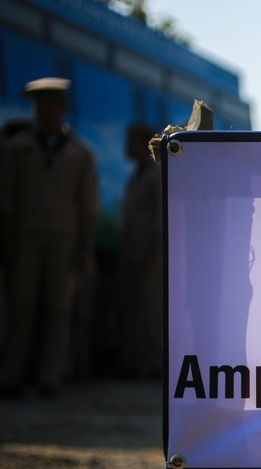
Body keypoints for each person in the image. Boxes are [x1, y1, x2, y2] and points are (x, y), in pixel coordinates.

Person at [0, 77, 99, 397]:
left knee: (58, 310)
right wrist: (6, 239)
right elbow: (5, 200)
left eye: (52, 105)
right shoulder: (18, 149)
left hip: (64, 240)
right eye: (40, 105)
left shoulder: (81, 153)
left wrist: (83, 245)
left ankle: (51, 375)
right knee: (22, 307)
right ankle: (10, 375)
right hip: (25, 237)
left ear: (63, 109)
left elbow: (88, 205)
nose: (46, 111)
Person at [116, 124, 162, 378]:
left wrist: (155, 254)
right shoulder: (135, 177)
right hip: (132, 253)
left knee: (151, 310)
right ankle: (135, 362)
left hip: (149, 255)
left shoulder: (154, 177)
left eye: (131, 141)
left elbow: (159, 218)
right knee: (132, 309)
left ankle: (155, 363)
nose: (126, 146)